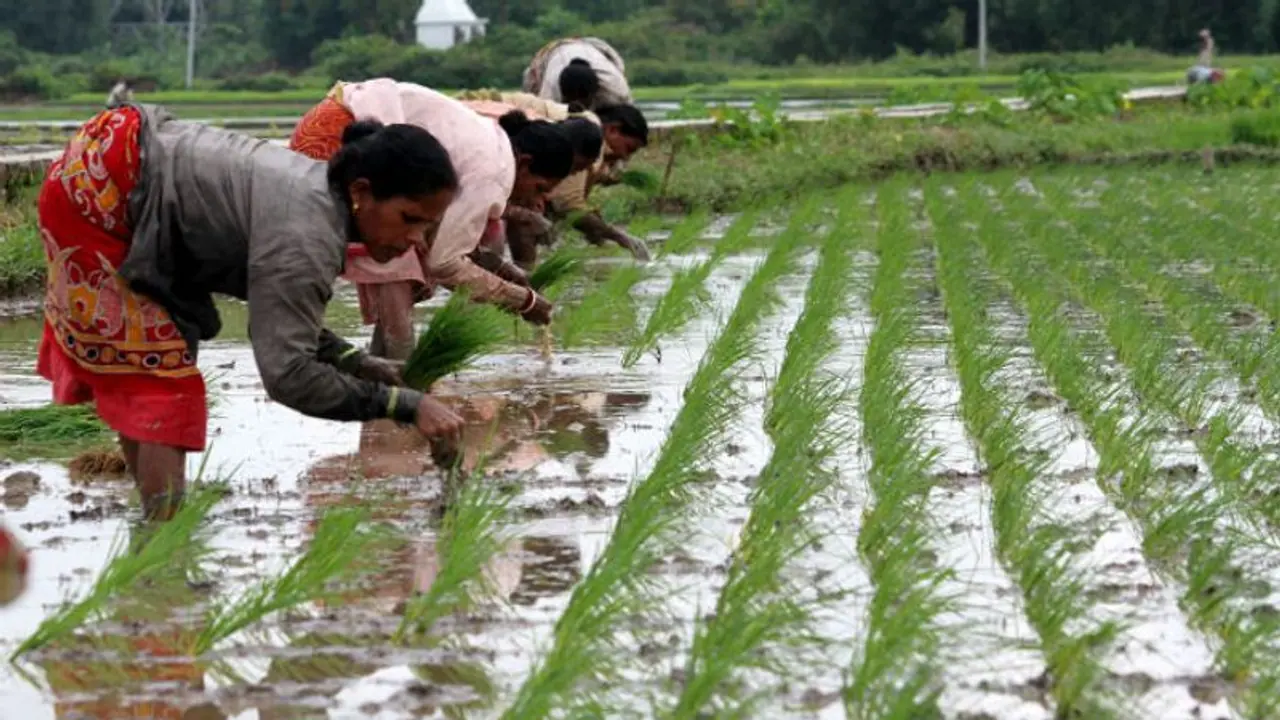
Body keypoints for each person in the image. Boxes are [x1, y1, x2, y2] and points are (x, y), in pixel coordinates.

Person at [37, 104, 467, 520]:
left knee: (159, 362)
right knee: (159, 379)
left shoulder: (318, 201)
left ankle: (157, 516)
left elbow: (280, 314)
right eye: (409, 218)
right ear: (361, 193)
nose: (416, 239)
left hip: (129, 159)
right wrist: (405, 405)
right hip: (104, 189)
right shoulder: (306, 235)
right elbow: (288, 375)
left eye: (427, 227)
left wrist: (357, 362)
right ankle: (161, 530)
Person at [289, 79, 578, 360]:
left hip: (333, 122)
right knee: (397, 259)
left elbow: (440, 238)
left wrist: (498, 267)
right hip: (339, 139)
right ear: (525, 164)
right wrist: (523, 301)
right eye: (540, 188)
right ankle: (399, 372)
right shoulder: (493, 173)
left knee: (404, 247)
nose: (538, 202)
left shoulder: (494, 143)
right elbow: (444, 264)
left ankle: (386, 369)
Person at [464, 92, 652, 267]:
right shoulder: (581, 139)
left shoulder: (568, 133)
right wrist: (618, 236)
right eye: (629, 148)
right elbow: (568, 204)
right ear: (612, 130)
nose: (625, 156)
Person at [522, 37, 632, 110]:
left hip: (592, 48)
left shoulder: (616, 89)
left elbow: (629, 118)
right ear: (563, 95)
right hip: (549, 56)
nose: (577, 106)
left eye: (582, 100)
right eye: (571, 100)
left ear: (594, 93)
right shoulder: (550, 91)